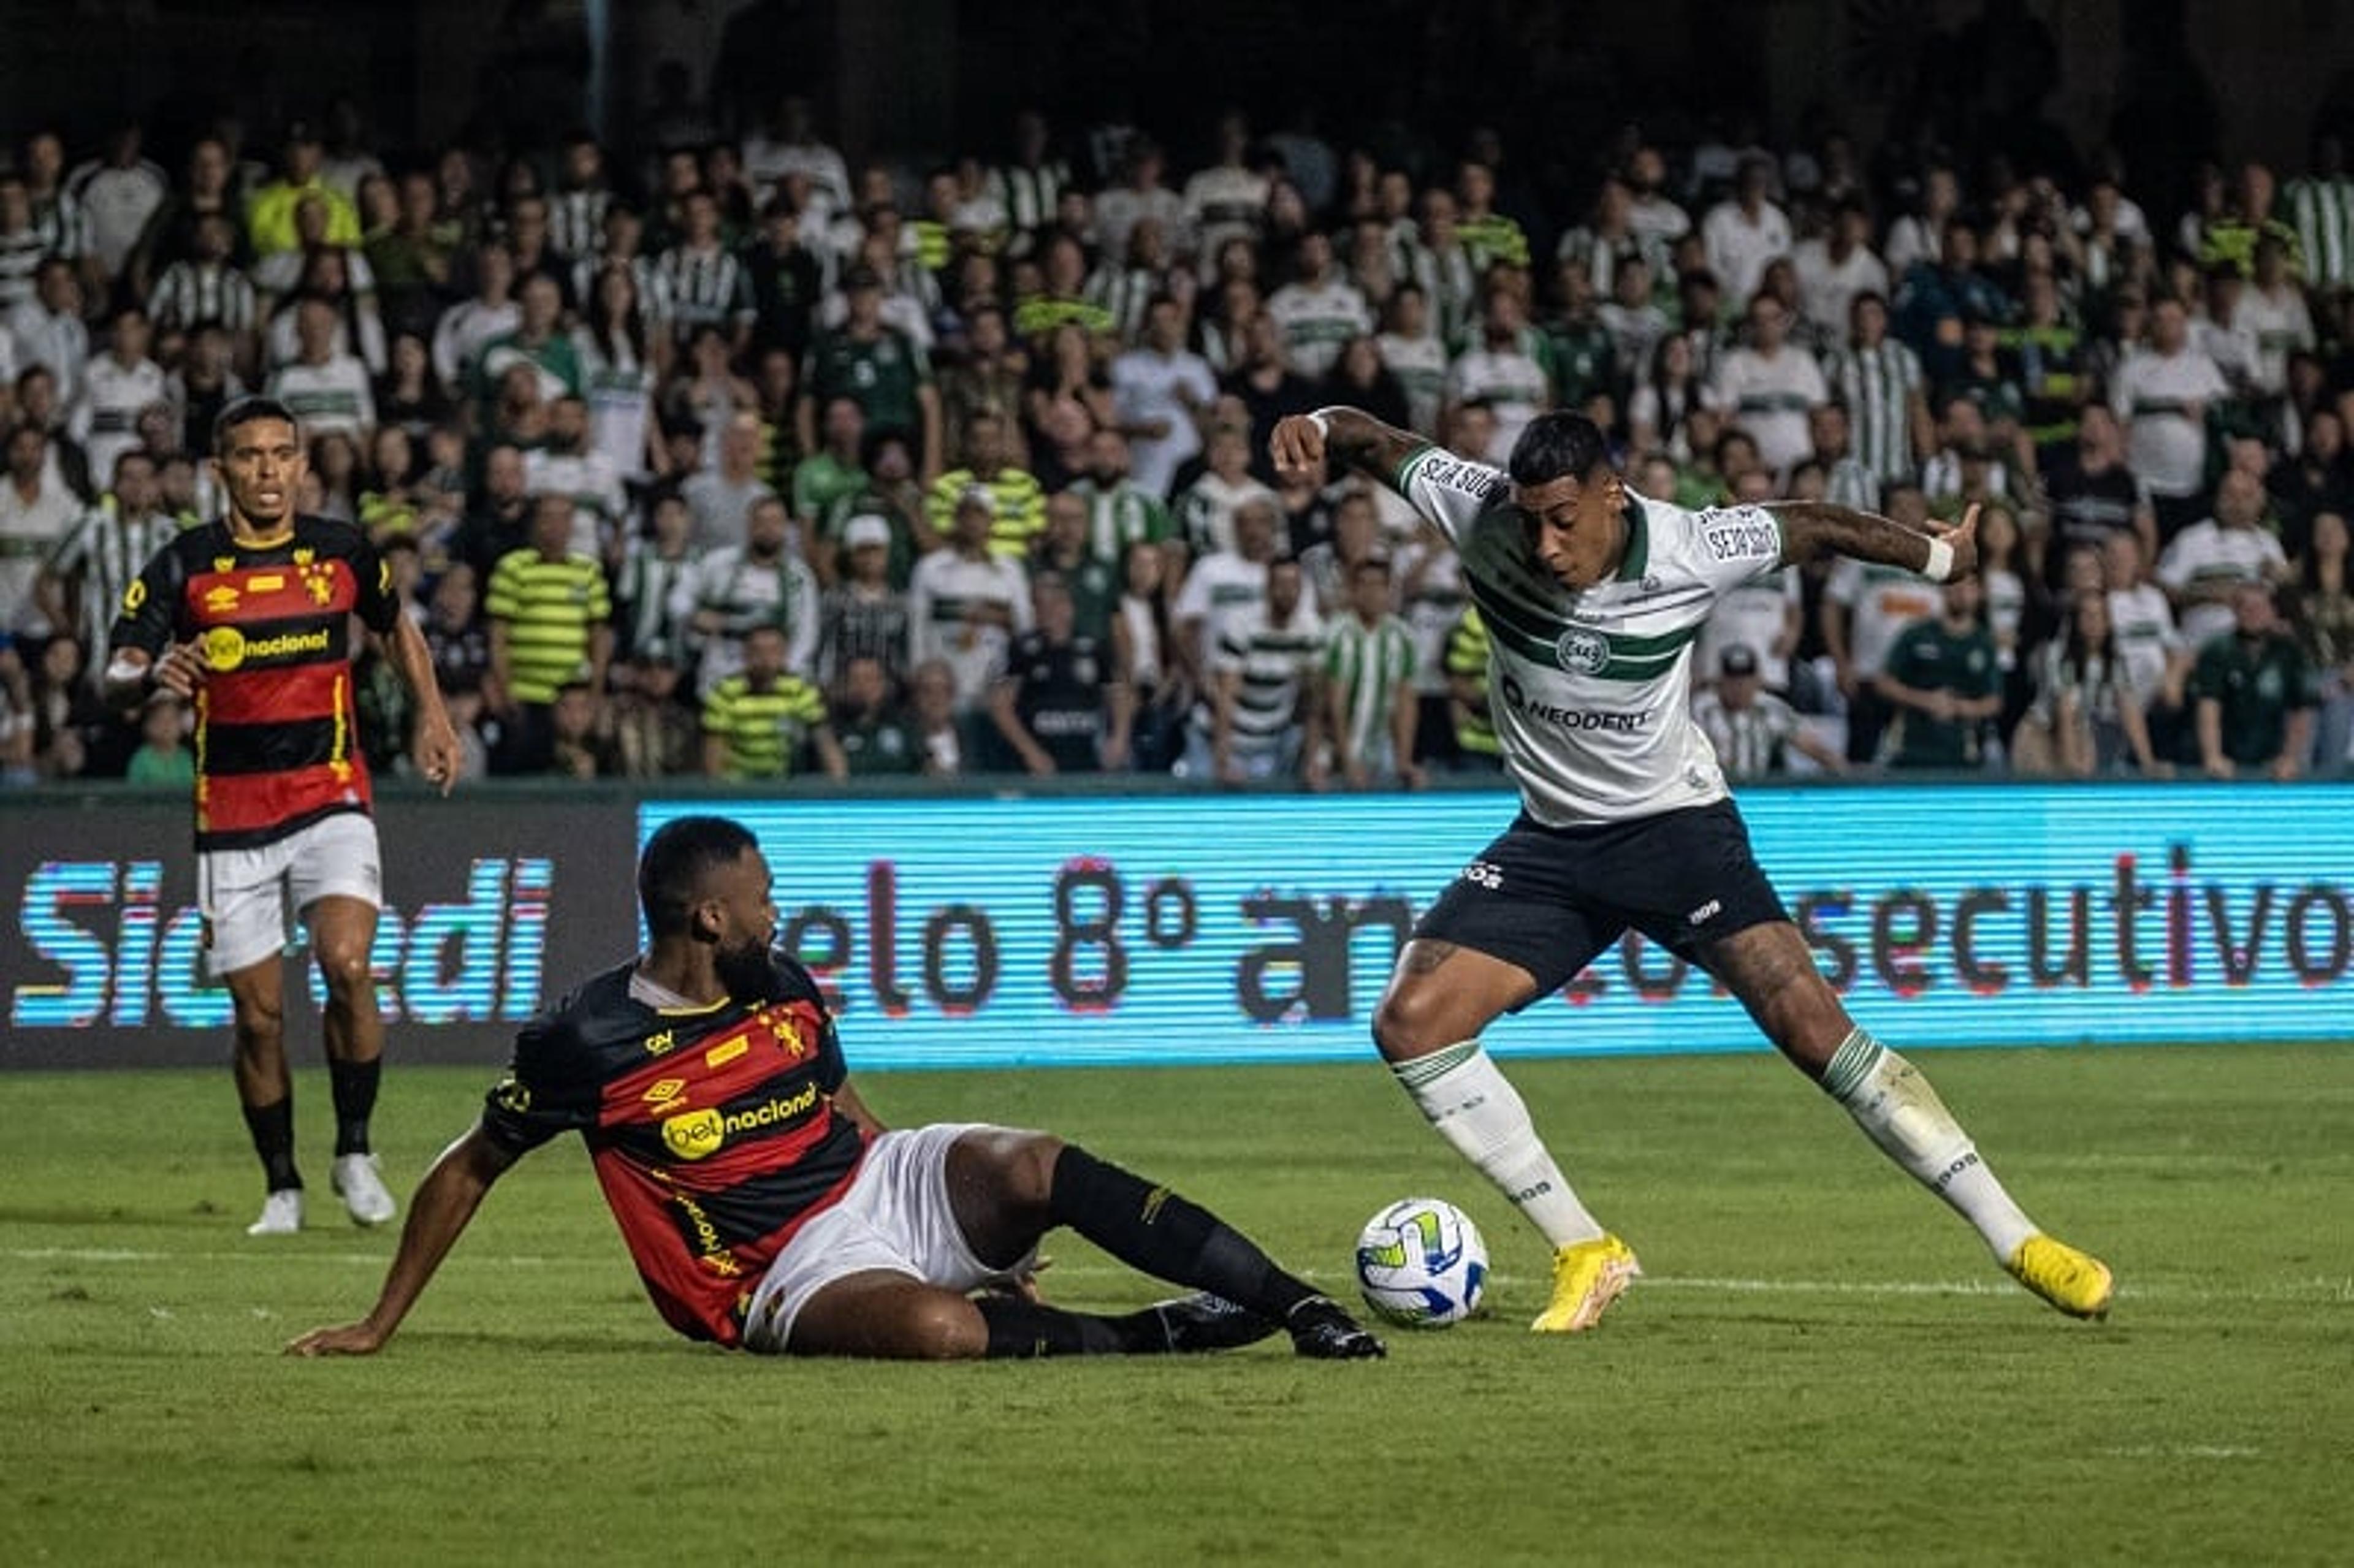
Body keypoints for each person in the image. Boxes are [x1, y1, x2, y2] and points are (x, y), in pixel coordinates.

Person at [1269, 402, 2114, 1332]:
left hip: (1676, 833)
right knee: (1413, 1020)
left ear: (1612, 498)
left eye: (1565, 520)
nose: (1546, 545)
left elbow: (1819, 524)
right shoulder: (1478, 510)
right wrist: (1310, 422)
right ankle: (1586, 1247)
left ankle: (2018, 1237)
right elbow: (1374, 440)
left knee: (1811, 1027)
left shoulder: (1692, 544)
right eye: (1531, 520)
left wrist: (1942, 559)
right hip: (1553, 842)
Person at [288, 815, 1383, 1361]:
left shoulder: (780, 978)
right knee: (948, 1335)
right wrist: (381, 1322)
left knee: (1032, 1162)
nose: (777, 907)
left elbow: (848, 1110)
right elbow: (471, 1164)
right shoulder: (589, 1040)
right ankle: (1162, 1333)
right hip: (772, 1268)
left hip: (873, 1181)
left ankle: (1300, 1306)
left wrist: (948, 1215)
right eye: (761, 894)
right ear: (708, 918)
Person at [102, 396, 463, 1235]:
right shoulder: (185, 565)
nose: (268, 470)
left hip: (331, 795)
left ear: (302, 465)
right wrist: (153, 667)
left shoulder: (340, 551)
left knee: (347, 965)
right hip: (231, 816)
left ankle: (355, 1149)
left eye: (282, 453)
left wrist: (432, 715)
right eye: (250, 455)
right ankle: (283, 1183)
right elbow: (116, 669)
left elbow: (395, 627)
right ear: (220, 470)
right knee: (260, 1016)